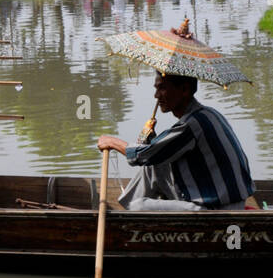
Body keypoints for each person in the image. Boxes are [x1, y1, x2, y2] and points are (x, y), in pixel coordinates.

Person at [97, 71, 254, 211]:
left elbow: (142, 155)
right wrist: (149, 138)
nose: (156, 96)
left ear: (185, 90)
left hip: (217, 209)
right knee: (154, 165)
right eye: (156, 88)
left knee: (138, 205)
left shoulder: (191, 125)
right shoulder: (209, 113)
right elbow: (154, 154)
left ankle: (126, 217)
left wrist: (112, 142)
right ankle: (126, 213)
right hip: (218, 197)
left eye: (162, 88)